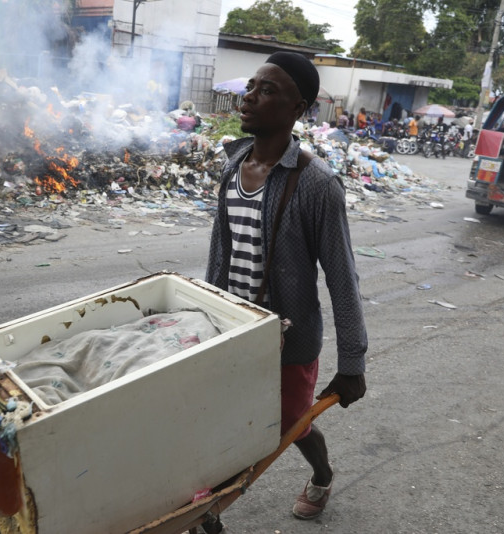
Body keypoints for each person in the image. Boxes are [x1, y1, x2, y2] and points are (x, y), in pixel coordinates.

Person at [205, 52, 367, 527]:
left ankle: (321, 473)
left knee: (293, 424)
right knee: (221, 418)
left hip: (289, 341)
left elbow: (342, 279)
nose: (250, 97)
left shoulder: (318, 186)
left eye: (268, 90)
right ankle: (208, 508)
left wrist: (353, 363)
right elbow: (221, 253)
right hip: (232, 328)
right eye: (251, 86)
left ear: (298, 109)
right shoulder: (232, 164)